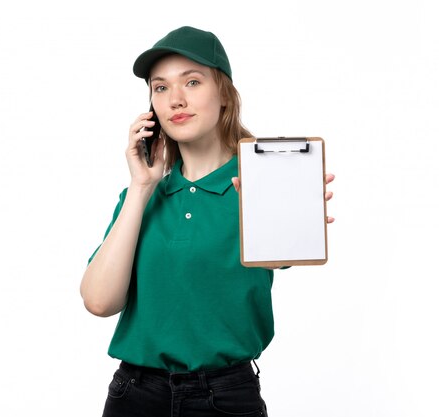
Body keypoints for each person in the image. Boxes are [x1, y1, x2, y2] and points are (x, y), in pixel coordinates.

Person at [80, 26, 335, 417]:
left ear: (225, 95)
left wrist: (288, 208)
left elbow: (282, 254)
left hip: (227, 397)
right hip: (135, 395)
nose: (175, 99)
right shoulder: (141, 197)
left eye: (193, 82)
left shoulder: (259, 185)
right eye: (160, 88)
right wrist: (140, 186)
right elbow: (99, 301)